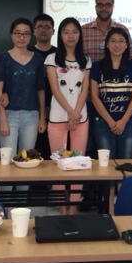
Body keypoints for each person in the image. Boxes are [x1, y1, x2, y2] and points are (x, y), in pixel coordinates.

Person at [45, 17, 91, 214]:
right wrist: (70, 113)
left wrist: (76, 114)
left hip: (81, 119)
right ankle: (61, 207)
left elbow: (85, 90)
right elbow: (55, 89)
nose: (70, 35)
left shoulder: (86, 60)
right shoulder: (51, 59)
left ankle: (73, 207)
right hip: (57, 118)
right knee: (59, 164)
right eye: (66, 31)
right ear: (60, 35)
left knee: (77, 164)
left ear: (79, 35)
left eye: (74, 31)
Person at [0, 18, 47, 160]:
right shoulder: (3, 58)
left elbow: (40, 90)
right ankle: (6, 184)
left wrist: (42, 117)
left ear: (31, 36)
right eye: (18, 33)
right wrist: (3, 119)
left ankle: (23, 184)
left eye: (26, 34)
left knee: (27, 160)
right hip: (9, 114)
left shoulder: (37, 59)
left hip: (31, 116)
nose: (22, 37)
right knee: (8, 159)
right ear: (11, 35)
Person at [91, 28, 132, 159]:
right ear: (107, 44)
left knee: (125, 162)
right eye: (113, 41)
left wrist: (123, 121)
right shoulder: (97, 67)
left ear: (126, 45)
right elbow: (94, 97)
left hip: (128, 122)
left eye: (121, 41)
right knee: (105, 165)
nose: (117, 45)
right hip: (103, 122)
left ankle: (122, 182)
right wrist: (110, 121)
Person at [29, 13, 57, 160]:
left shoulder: (60, 54)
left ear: (53, 31)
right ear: (34, 31)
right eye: (40, 27)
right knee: (34, 151)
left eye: (47, 27)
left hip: (57, 109)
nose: (43, 30)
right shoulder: (27, 53)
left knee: (53, 151)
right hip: (32, 109)